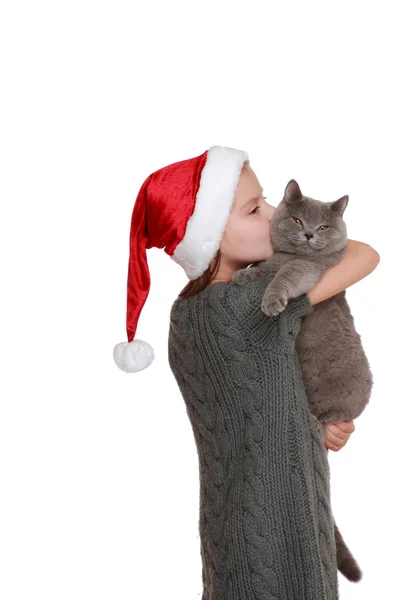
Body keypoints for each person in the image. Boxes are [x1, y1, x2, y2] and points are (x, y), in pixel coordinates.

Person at [113, 145, 380, 599]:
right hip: (276, 542)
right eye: (255, 209)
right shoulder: (242, 305)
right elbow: (362, 254)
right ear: (210, 232)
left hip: (252, 524)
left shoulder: (191, 311)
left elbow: (256, 408)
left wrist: (313, 426)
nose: (276, 215)